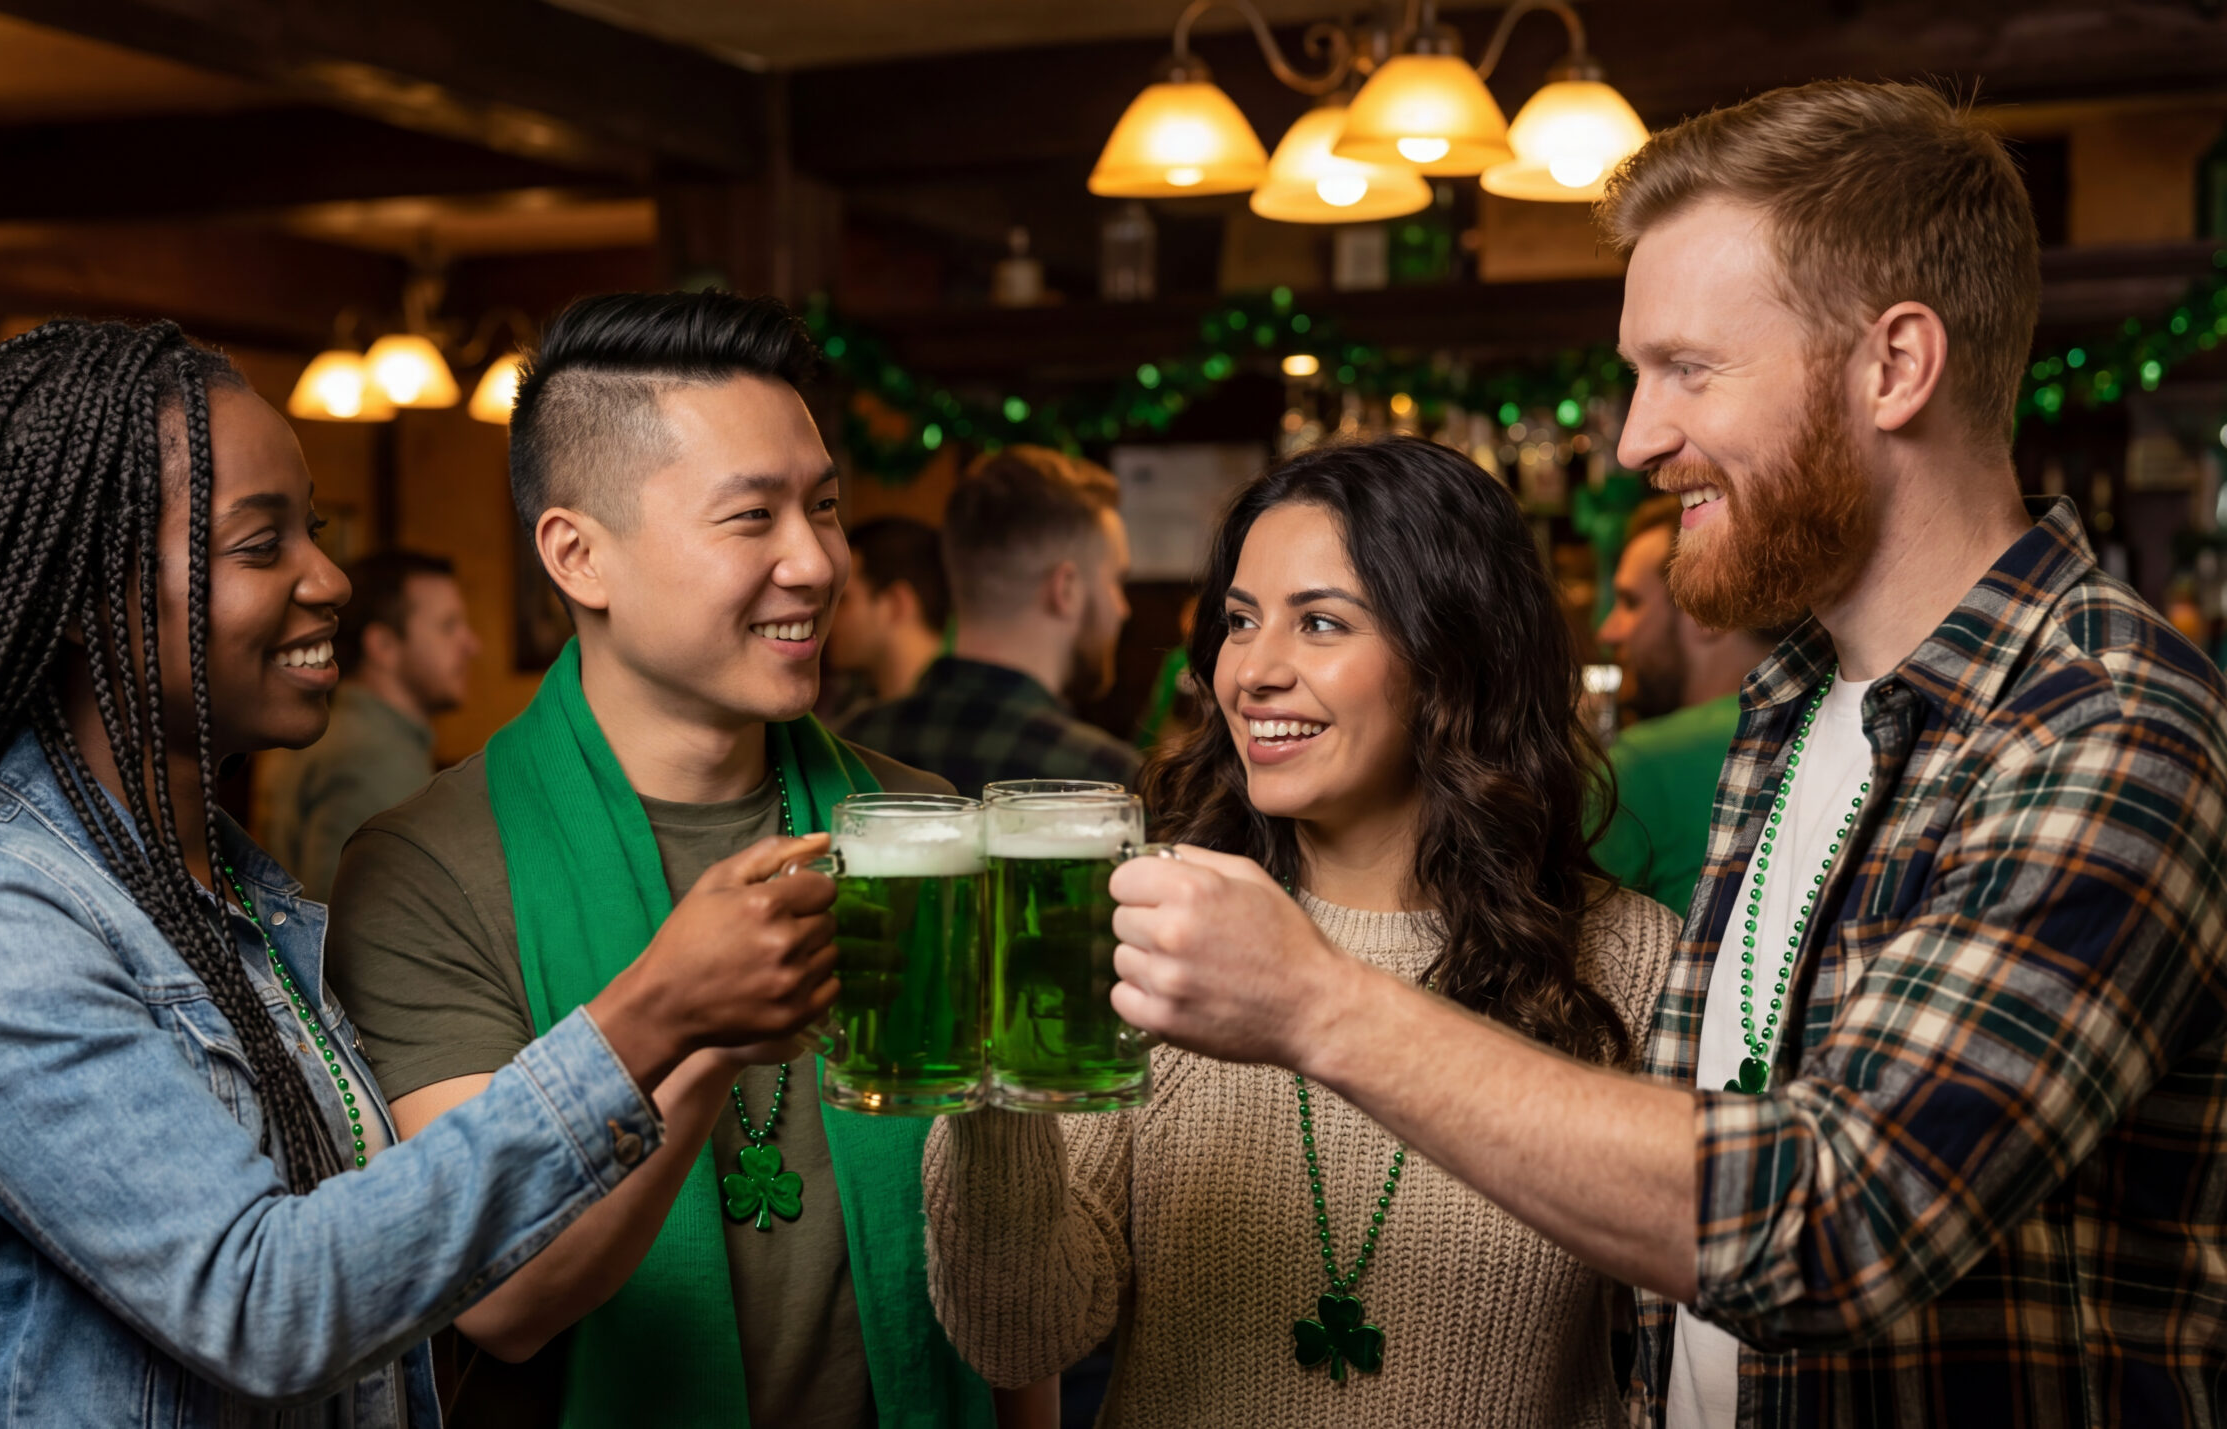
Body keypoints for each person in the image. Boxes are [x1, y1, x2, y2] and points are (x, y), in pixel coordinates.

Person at [1101, 79, 2227, 1428]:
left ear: (1895, 366)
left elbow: (1834, 1220)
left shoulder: (2100, 722)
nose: (1637, 437)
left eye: (1689, 369)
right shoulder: (1796, 705)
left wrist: (1315, 1007)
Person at [0, 320, 843, 1429]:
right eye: (258, 545)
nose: (328, 579)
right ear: (89, 597)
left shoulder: (240, 897)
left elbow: (380, 1268)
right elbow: (261, 1300)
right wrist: (652, 1013)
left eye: (313, 533)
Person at [322, 291, 993, 1429]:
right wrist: (703, 1029)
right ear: (578, 554)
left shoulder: (918, 828)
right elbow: (502, 1300)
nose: (815, 561)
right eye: (752, 517)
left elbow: (1000, 1257)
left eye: (825, 507)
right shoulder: (424, 870)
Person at [925, 438, 1675, 1427]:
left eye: (1320, 622)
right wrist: (988, 1091)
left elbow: (1714, 1337)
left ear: (1453, 656)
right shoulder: (1154, 926)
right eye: (1240, 622)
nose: (1253, 671)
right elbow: (1020, 1336)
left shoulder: (1632, 960)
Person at [846, 446, 1141, 797]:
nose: (1123, 609)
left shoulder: (846, 748)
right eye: (1117, 581)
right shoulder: (1109, 780)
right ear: (1066, 590)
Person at [1592, 497, 1778, 917]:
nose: (1609, 631)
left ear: (1705, 608)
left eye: (1631, 603)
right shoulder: (1826, 726)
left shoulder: (1643, 764)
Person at [263, 549, 480, 901]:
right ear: (383, 645)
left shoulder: (349, 733)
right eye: (448, 626)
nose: (472, 644)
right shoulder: (372, 756)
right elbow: (344, 916)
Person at [822, 516, 948, 721]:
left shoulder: (955, 718)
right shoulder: (847, 708)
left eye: (843, 600)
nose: (827, 617)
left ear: (896, 604)